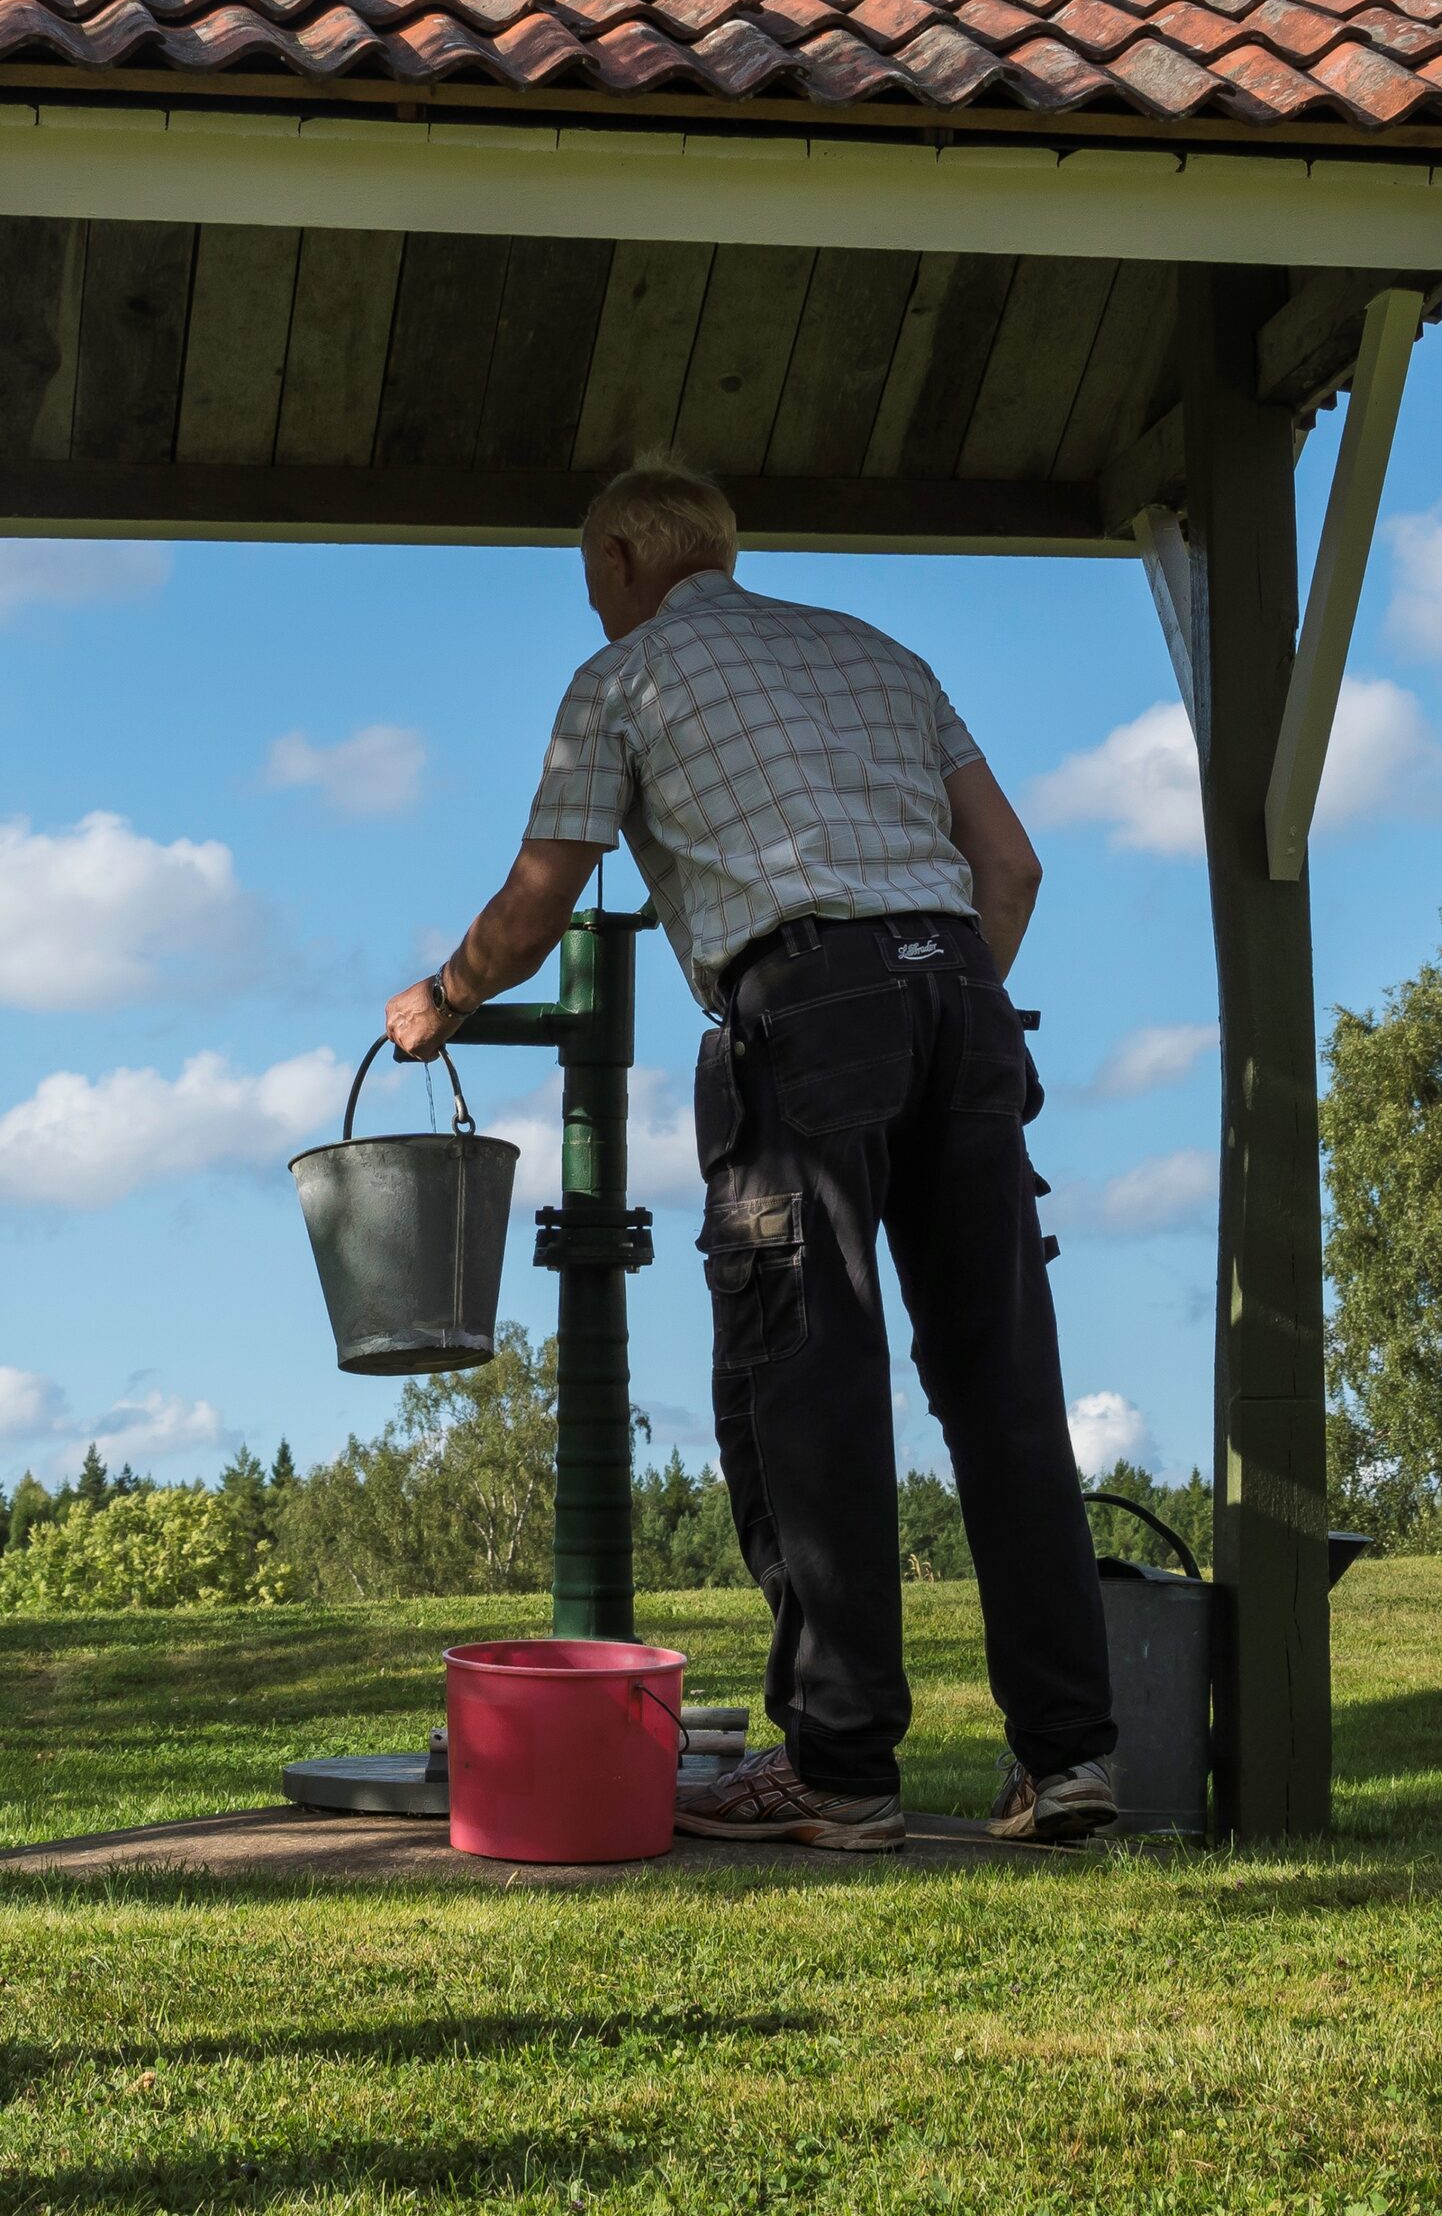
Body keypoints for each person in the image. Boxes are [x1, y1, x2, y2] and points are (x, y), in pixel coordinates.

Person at [386, 454, 1115, 1850]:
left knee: (809, 1380)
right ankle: (1070, 1759)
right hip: (963, 992)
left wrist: (447, 997)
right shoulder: (882, 655)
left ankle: (840, 1773)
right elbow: (1009, 866)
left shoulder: (626, 676)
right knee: (1004, 1381)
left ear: (617, 563)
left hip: (803, 1005)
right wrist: (930, 1000)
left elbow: (547, 887)